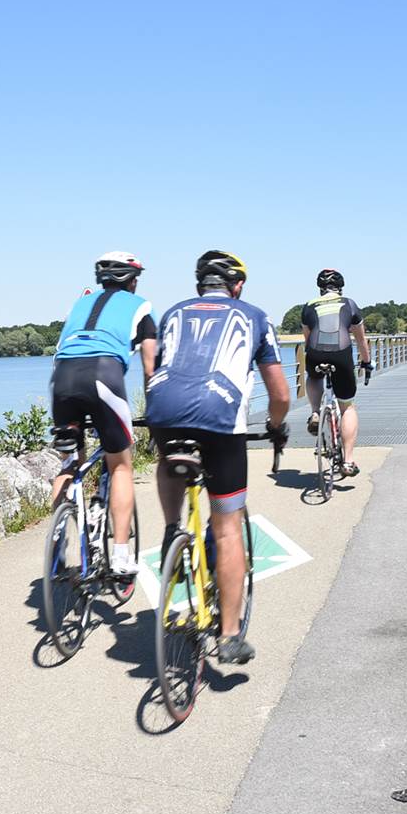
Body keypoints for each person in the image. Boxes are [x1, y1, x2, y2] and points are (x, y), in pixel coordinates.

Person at [145, 250, 289, 664]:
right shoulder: (254, 316)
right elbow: (279, 394)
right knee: (227, 529)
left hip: (163, 408)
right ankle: (228, 636)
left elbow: (155, 365)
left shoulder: (173, 312)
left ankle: (173, 528)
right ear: (237, 285)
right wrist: (277, 426)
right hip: (218, 415)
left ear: (198, 285)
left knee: (169, 459)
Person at [50, 251, 158, 576]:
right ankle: (122, 555)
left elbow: (62, 350)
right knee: (121, 465)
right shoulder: (141, 307)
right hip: (103, 375)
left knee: (70, 462)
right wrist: (153, 413)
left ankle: (57, 549)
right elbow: (151, 368)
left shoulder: (78, 305)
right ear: (133, 280)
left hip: (62, 380)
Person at [301, 268, 373, 478]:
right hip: (341, 354)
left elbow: (307, 340)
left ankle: (315, 412)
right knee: (347, 406)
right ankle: (348, 461)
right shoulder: (349, 304)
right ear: (340, 287)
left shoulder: (308, 306)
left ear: (320, 288)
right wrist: (366, 362)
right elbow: (361, 340)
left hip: (315, 353)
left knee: (313, 376)